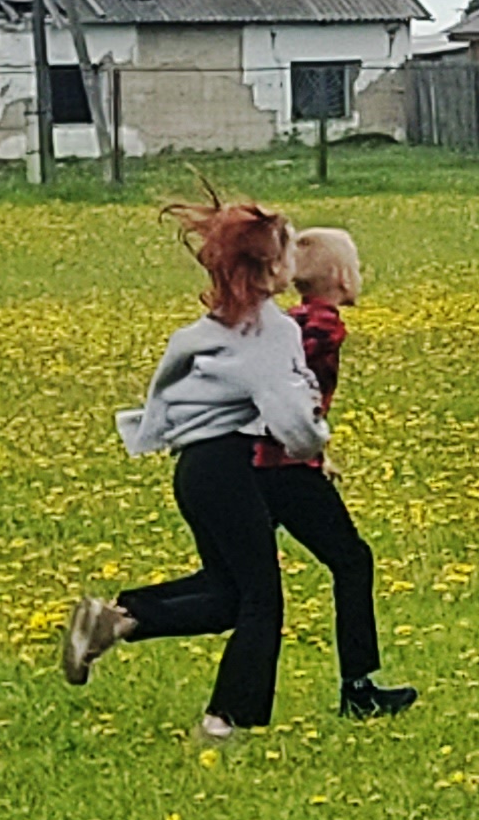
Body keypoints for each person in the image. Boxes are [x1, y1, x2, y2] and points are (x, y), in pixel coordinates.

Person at [65, 184, 330, 737]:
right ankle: (226, 719)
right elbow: (291, 415)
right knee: (262, 599)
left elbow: (172, 390)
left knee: (229, 593)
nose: (295, 261)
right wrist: (312, 447)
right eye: (288, 251)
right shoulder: (270, 329)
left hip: (197, 470)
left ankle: (117, 621)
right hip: (229, 469)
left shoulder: (214, 326)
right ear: (267, 267)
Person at [259, 223, 417, 719]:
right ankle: (358, 687)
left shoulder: (295, 319)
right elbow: (293, 389)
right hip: (284, 468)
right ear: (343, 278)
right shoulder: (322, 326)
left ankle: (126, 619)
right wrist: (308, 443)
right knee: (352, 560)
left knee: (236, 582)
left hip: (272, 463)